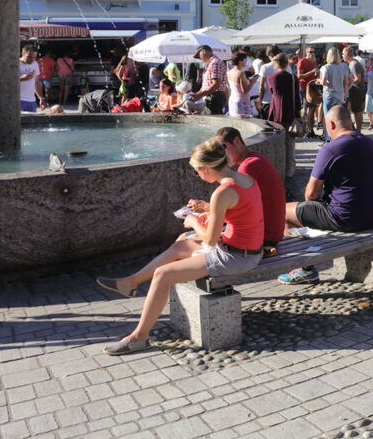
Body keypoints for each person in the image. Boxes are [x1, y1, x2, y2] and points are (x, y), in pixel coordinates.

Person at [96, 139, 263, 355]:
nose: (198, 176)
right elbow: (239, 210)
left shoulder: (221, 192)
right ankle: (130, 282)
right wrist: (207, 210)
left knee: (162, 274)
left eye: (196, 172)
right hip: (246, 248)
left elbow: (211, 241)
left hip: (237, 256)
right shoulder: (244, 177)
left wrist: (193, 220)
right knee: (180, 244)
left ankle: (139, 337)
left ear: (205, 168)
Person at [281, 105, 373, 284]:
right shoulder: (369, 143)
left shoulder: (331, 149)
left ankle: (304, 267)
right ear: (350, 122)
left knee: (282, 212)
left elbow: (311, 193)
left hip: (346, 217)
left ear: (330, 125)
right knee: (310, 211)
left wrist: (311, 211)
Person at [186, 127, 286, 256]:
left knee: (183, 244)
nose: (221, 152)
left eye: (223, 147)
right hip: (268, 234)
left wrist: (205, 210)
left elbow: (242, 207)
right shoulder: (254, 159)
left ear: (237, 141)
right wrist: (210, 211)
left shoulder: (247, 167)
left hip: (261, 239)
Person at [319, 48, 351, 144]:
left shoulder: (326, 67)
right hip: (340, 95)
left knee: (329, 119)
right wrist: (345, 94)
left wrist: (318, 81)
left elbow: (323, 82)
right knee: (338, 118)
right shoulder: (343, 66)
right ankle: (338, 139)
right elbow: (346, 82)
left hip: (329, 94)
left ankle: (329, 141)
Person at [192, 45, 229, 115]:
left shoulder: (215, 63)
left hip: (215, 97)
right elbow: (208, 85)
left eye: (199, 56)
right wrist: (197, 94)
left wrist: (199, 96)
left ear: (204, 52)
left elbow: (216, 84)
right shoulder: (212, 63)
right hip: (213, 97)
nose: (199, 59)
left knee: (214, 122)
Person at [343, 46, 367, 134]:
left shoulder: (353, 64)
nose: (342, 56)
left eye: (342, 54)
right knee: (356, 111)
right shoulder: (353, 63)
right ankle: (356, 130)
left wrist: (348, 85)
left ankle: (358, 131)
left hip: (357, 90)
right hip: (358, 89)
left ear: (346, 54)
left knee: (357, 111)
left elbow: (358, 79)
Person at [227, 51, 254, 117]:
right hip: (242, 102)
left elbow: (236, 85)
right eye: (245, 60)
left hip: (233, 100)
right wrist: (252, 82)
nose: (246, 62)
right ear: (240, 61)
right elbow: (245, 90)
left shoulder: (229, 72)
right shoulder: (241, 73)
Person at [19, 43, 40, 112]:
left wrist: (40, 98)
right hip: (18, 100)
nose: (32, 59)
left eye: (34, 57)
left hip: (32, 101)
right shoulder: (15, 64)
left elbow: (36, 82)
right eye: (29, 57)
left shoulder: (35, 64)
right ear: (23, 54)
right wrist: (22, 79)